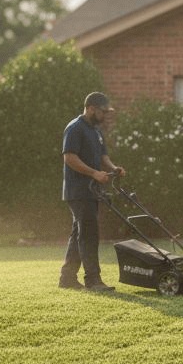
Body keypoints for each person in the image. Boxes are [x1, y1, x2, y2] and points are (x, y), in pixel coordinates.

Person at [59, 91, 126, 291]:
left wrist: (113, 168)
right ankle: (93, 280)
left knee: (79, 233)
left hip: (92, 191)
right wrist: (94, 173)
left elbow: (103, 155)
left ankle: (67, 278)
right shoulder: (75, 128)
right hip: (78, 190)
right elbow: (69, 157)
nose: (105, 115)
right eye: (103, 111)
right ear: (91, 109)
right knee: (89, 234)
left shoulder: (96, 130)